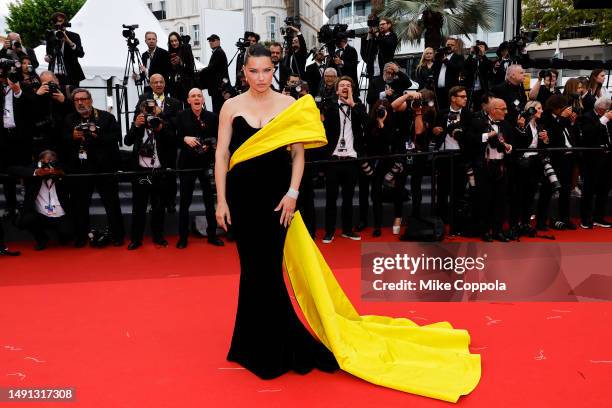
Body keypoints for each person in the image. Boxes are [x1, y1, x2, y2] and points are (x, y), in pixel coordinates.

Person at [214, 43, 481, 403]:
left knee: (270, 271)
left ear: (272, 70)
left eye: (266, 70)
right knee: (252, 270)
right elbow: (222, 153)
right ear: (244, 72)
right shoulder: (231, 107)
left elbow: (298, 154)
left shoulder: (290, 105)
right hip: (244, 198)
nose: (261, 78)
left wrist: (294, 193)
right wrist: (221, 199)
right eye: (254, 71)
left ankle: (277, 346)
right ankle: (250, 344)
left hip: (279, 199)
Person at [63, 88, 125, 247]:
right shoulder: (69, 119)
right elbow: (60, 140)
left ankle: (117, 235)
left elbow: (116, 138)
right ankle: (81, 236)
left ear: (90, 100)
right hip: (80, 169)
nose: (80, 103)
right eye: (76, 100)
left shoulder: (106, 117)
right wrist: (72, 136)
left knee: (112, 204)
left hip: (104, 167)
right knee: (80, 205)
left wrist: (98, 136)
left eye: (83, 99)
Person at [176, 88, 224, 248]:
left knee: (210, 202)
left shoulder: (212, 117)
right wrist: (184, 138)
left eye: (199, 96)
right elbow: (171, 137)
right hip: (187, 165)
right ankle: (182, 238)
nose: (196, 98)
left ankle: (212, 235)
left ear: (203, 99)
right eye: (193, 96)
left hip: (207, 164)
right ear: (188, 100)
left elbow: (219, 137)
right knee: (185, 201)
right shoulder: (181, 116)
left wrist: (214, 144)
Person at [11, 150, 72, 250]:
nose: (49, 166)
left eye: (52, 162)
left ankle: (63, 235)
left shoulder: (60, 172)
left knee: (68, 232)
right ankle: (42, 238)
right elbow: (11, 169)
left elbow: (72, 169)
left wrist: (59, 172)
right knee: (26, 220)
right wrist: (36, 172)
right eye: (46, 162)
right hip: (40, 215)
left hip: (61, 214)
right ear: (40, 162)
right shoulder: (34, 173)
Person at [45, 12, 85, 88]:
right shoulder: (50, 35)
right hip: (54, 73)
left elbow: (81, 54)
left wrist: (68, 41)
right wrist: (48, 57)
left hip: (72, 74)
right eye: (58, 21)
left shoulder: (74, 36)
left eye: (62, 21)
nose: (60, 24)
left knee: (71, 97)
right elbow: (48, 53)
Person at [199, 34, 229, 113]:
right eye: (209, 41)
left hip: (218, 88)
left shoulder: (218, 52)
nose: (211, 42)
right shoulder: (218, 52)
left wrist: (200, 72)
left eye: (213, 40)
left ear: (218, 41)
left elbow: (211, 68)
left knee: (218, 110)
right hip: (218, 87)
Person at [433, 38, 465, 109]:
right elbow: (434, 70)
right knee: (439, 109)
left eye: (452, 45)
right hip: (438, 89)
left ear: (456, 47)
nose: (449, 46)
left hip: (451, 89)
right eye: (448, 45)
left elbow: (457, 69)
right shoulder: (440, 56)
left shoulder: (458, 57)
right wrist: (436, 58)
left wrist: (445, 60)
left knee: (450, 108)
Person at [167, 32, 196, 102]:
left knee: (187, 109)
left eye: (175, 40)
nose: (174, 43)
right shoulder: (169, 53)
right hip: (174, 86)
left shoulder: (186, 48)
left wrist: (181, 63)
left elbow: (191, 67)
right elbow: (169, 72)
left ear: (179, 40)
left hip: (186, 85)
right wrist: (172, 65)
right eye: (171, 41)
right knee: (176, 108)